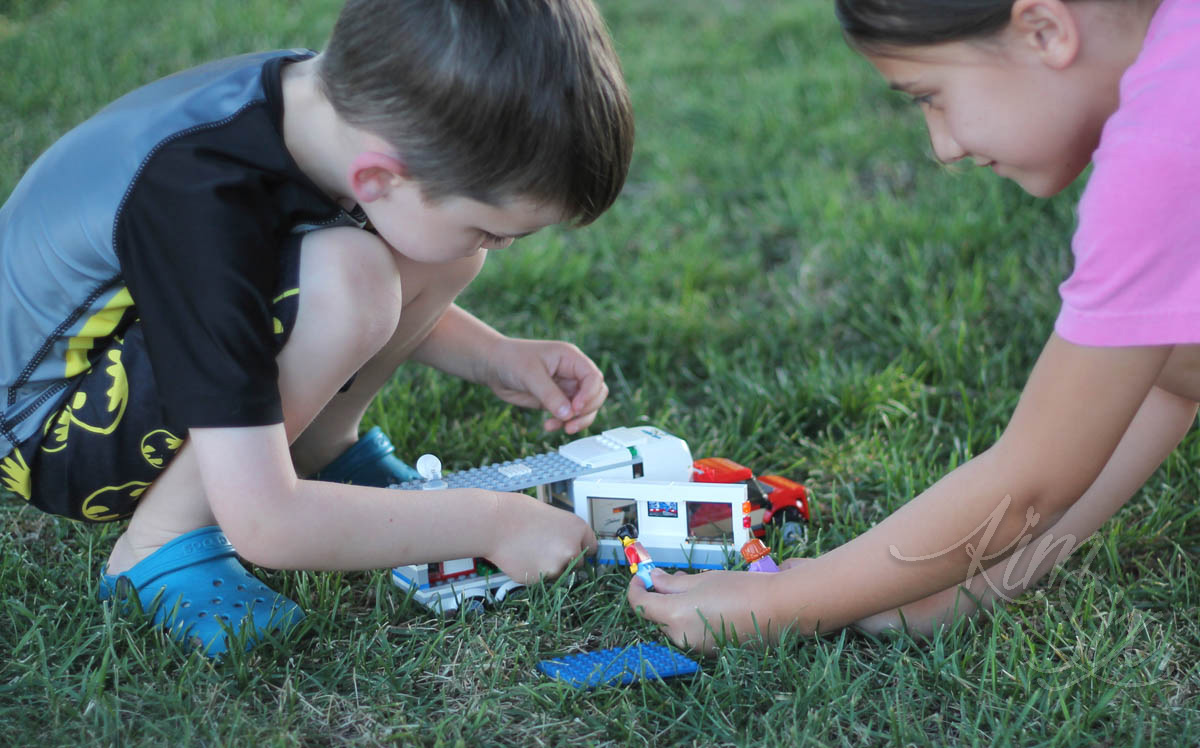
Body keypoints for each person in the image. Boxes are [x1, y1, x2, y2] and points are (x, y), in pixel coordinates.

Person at [0, 0, 633, 656]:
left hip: (128, 346)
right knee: (351, 271)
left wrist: (491, 355)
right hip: (46, 432)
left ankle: (322, 452)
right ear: (380, 176)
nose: (501, 246)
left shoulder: (328, 110)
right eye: (494, 228)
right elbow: (265, 523)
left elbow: (270, 290)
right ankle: (159, 544)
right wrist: (494, 522)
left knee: (427, 251)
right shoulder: (200, 203)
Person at [630, 0, 1200, 651]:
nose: (943, 146)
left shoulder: (1164, 148)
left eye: (932, 96)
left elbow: (1031, 481)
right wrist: (975, 583)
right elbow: (1163, 372)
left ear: (1044, 29)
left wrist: (784, 600)